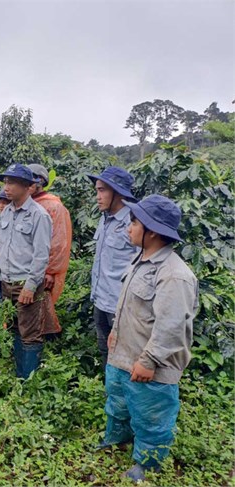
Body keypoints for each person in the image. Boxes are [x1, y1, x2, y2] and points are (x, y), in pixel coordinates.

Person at [99, 195, 198, 482]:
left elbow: (171, 326)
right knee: (118, 400)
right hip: (124, 353)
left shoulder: (174, 275)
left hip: (150, 363)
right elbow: (128, 304)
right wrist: (115, 333)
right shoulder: (140, 260)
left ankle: (149, 461)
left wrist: (149, 360)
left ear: (152, 231)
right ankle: (117, 437)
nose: (128, 227)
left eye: (134, 222)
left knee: (151, 413)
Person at [0, 164, 53, 378]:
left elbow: (41, 255)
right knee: (14, 327)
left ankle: (28, 380)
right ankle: (18, 374)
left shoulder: (39, 216)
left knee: (30, 333)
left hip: (25, 283)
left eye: (12, 182)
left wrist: (31, 286)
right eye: (5, 182)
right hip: (7, 282)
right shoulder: (6, 212)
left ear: (27, 186)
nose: (6, 187)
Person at [87, 166, 138, 371]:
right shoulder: (105, 219)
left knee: (124, 359)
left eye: (102, 190)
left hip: (121, 305)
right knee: (105, 352)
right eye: (97, 190)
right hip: (101, 299)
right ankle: (110, 396)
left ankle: (122, 399)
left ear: (118, 193)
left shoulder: (134, 222)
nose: (98, 196)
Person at [27, 163, 72, 335]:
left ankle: (45, 339)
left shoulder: (53, 206)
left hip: (43, 268)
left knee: (41, 304)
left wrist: (50, 271)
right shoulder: (25, 203)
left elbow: (59, 242)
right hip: (25, 266)